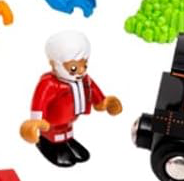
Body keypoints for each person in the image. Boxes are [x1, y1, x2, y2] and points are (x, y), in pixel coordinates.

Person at [20, 29, 122, 167]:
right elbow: (39, 103)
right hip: (51, 126)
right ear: (54, 65)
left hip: (69, 121)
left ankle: (67, 142)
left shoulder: (85, 80)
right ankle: (52, 145)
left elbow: (94, 92)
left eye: (84, 65)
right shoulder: (49, 84)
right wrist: (35, 121)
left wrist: (104, 102)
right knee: (55, 136)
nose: (81, 71)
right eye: (74, 68)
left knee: (67, 133)